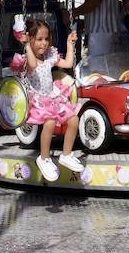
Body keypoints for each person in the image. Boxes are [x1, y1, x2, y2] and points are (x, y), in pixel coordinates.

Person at [15, 19, 85, 181]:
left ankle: (66, 154)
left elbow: (67, 63)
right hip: (36, 99)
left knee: (74, 119)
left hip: (52, 96)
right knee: (50, 122)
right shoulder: (26, 59)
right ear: (29, 39)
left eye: (46, 39)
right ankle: (44, 158)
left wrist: (70, 43)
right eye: (39, 39)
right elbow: (32, 63)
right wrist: (26, 46)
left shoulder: (49, 56)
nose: (44, 43)